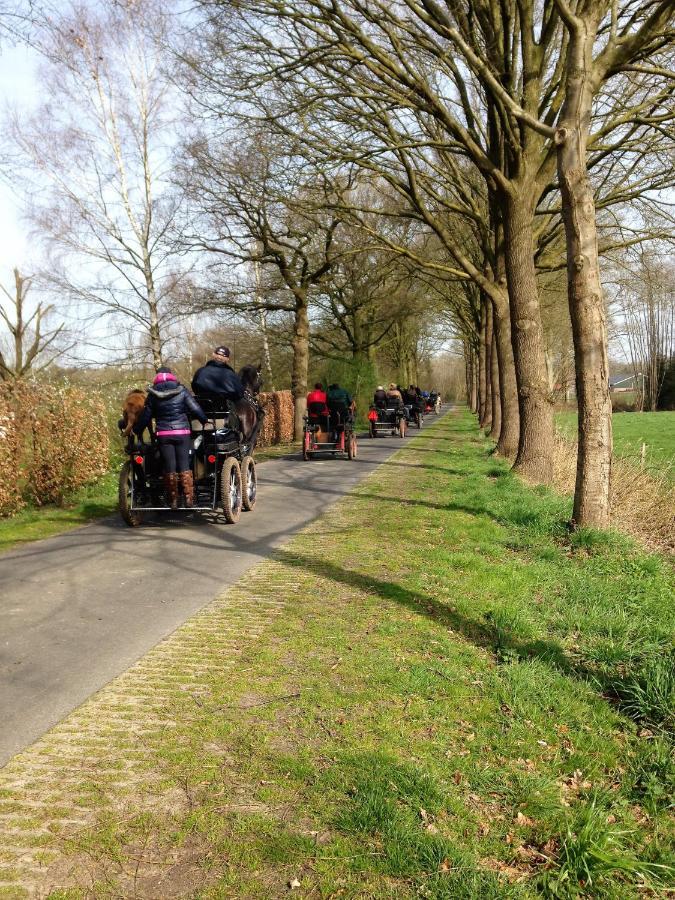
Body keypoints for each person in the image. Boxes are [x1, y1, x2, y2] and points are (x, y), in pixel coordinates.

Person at [136, 368, 207, 509]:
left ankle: (173, 501)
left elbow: (146, 416)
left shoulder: (152, 395)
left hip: (163, 434)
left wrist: (137, 429)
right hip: (182, 433)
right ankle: (188, 499)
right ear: (172, 377)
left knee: (170, 467)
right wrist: (204, 419)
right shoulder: (182, 390)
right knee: (184, 465)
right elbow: (195, 408)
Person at [191, 346, 245, 411]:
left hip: (204, 411)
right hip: (225, 412)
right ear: (227, 359)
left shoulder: (200, 372)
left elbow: (194, 387)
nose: (219, 357)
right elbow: (240, 393)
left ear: (213, 355)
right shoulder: (231, 375)